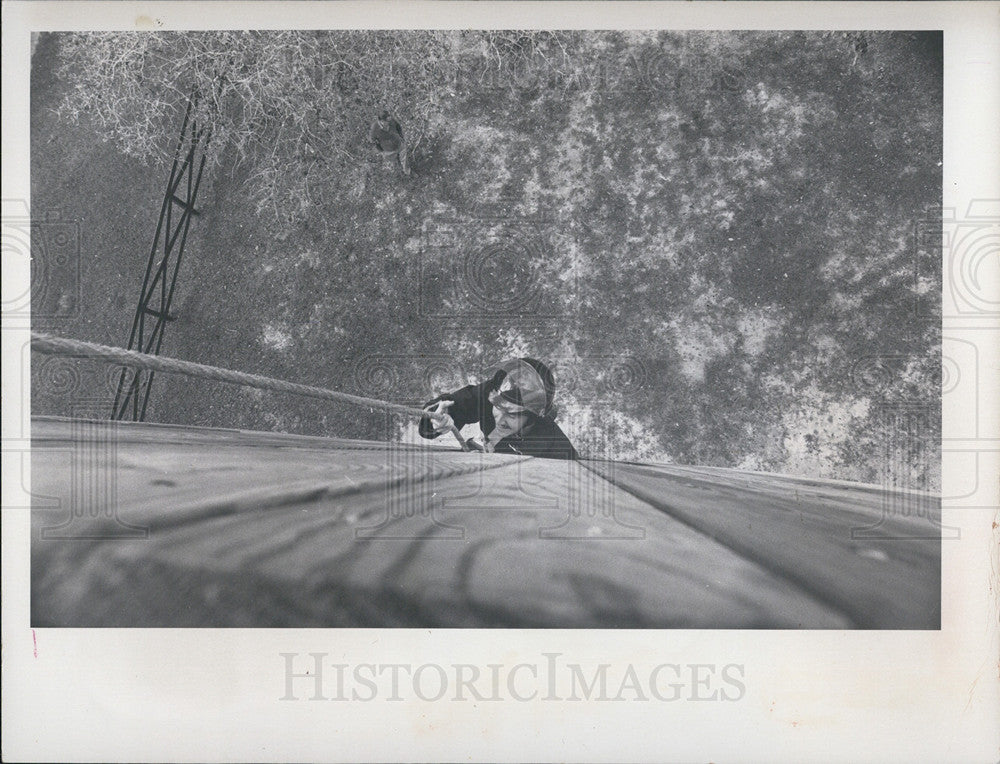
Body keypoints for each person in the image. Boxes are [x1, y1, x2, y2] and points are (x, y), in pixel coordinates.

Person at [419, 358, 578, 460]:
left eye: (512, 414)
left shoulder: (553, 442)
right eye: (498, 406)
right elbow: (451, 404)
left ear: (532, 419)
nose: (500, 418)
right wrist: (435, 421)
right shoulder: (490, 393)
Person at [369, 110, 410, 176]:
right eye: (387, 121)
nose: (389, 122)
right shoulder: (374, 128)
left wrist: (402, 137)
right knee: (393, 165)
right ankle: (398, 176)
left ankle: (407, 173)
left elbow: (398, 127)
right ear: (381, 121)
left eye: (389, 119)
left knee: (404, 160)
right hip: (388, 150)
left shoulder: (392, 120)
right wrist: (381, 151)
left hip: (398, 144)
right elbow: (373, 141)